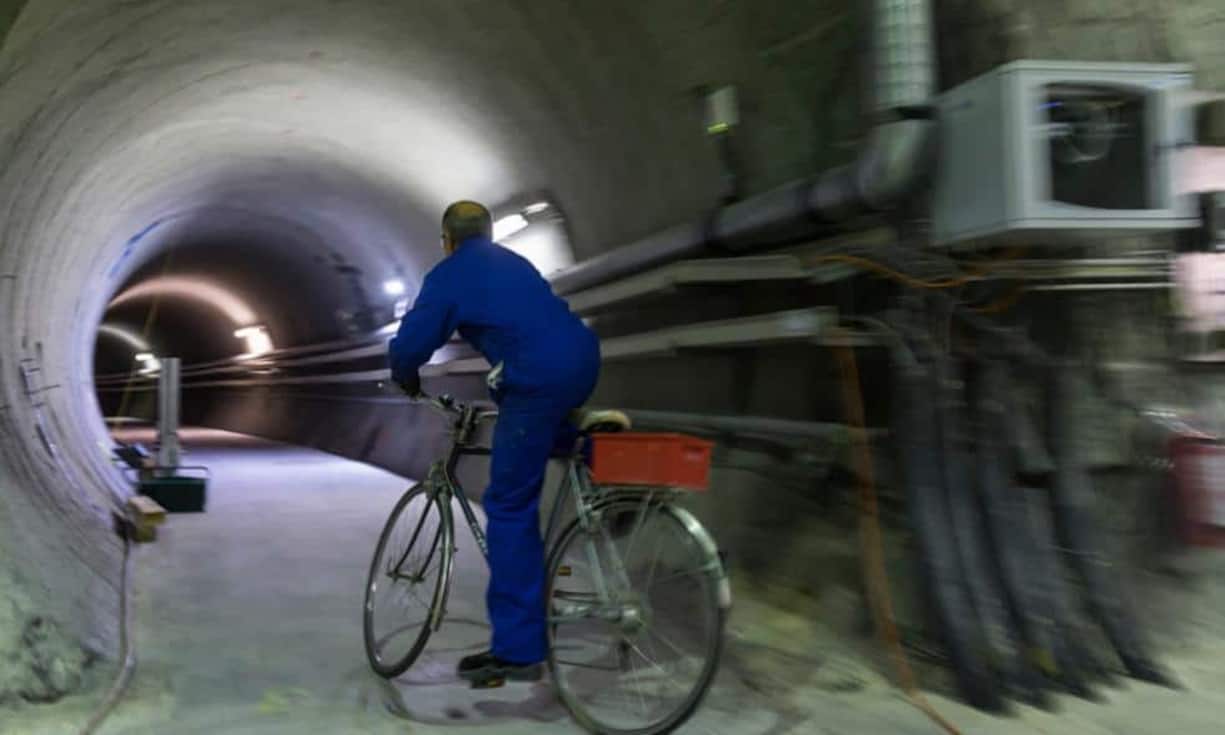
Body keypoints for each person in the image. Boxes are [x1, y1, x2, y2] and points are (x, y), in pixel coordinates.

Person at [388, 200, 600, 685]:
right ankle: (595, 457)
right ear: (489, 233)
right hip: (583, 360)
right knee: (540, 436)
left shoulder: (450, 274)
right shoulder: (516, 262)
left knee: (508, 505)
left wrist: (404, 373)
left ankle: (518, 651)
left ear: (447, 240)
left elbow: (415, 340)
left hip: (535, 378)